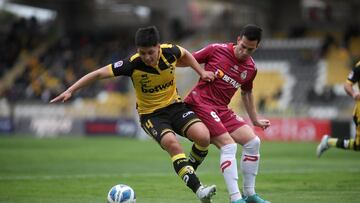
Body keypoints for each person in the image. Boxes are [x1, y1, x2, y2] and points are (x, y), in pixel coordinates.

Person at [50, 26, 217, 202]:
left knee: (204, 137)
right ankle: (199, 190)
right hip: (152, 115)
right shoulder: (132, 63)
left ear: (159, 46)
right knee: (172, 144)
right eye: (142, 53)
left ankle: (188, 169)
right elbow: (99, 73)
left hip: (175, 107)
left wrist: (202, 72)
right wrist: (70, 90)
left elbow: (186, 55)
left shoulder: (171, 51)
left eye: (150, 52)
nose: (146, 57)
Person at [183, 24, 271, 203]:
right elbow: (187, 59)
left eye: (250, 50)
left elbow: (246, 93)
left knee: (253, 142)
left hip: (221, 108)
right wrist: (201, 71)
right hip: (200, 102)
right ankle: (236, 198)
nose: (244, 52)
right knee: (229, 146)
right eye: (243, 46)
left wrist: (254, 120)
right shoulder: (216, 49)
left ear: (257, 47)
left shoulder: (251, 69)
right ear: (238, 39)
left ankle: (249, 194)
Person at [317, 60, 360, 157]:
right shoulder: (359, 66)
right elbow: (347, 85)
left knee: (358, 146)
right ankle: (329, 142)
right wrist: (354, 94)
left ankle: (329, 142)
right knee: (358, 145)